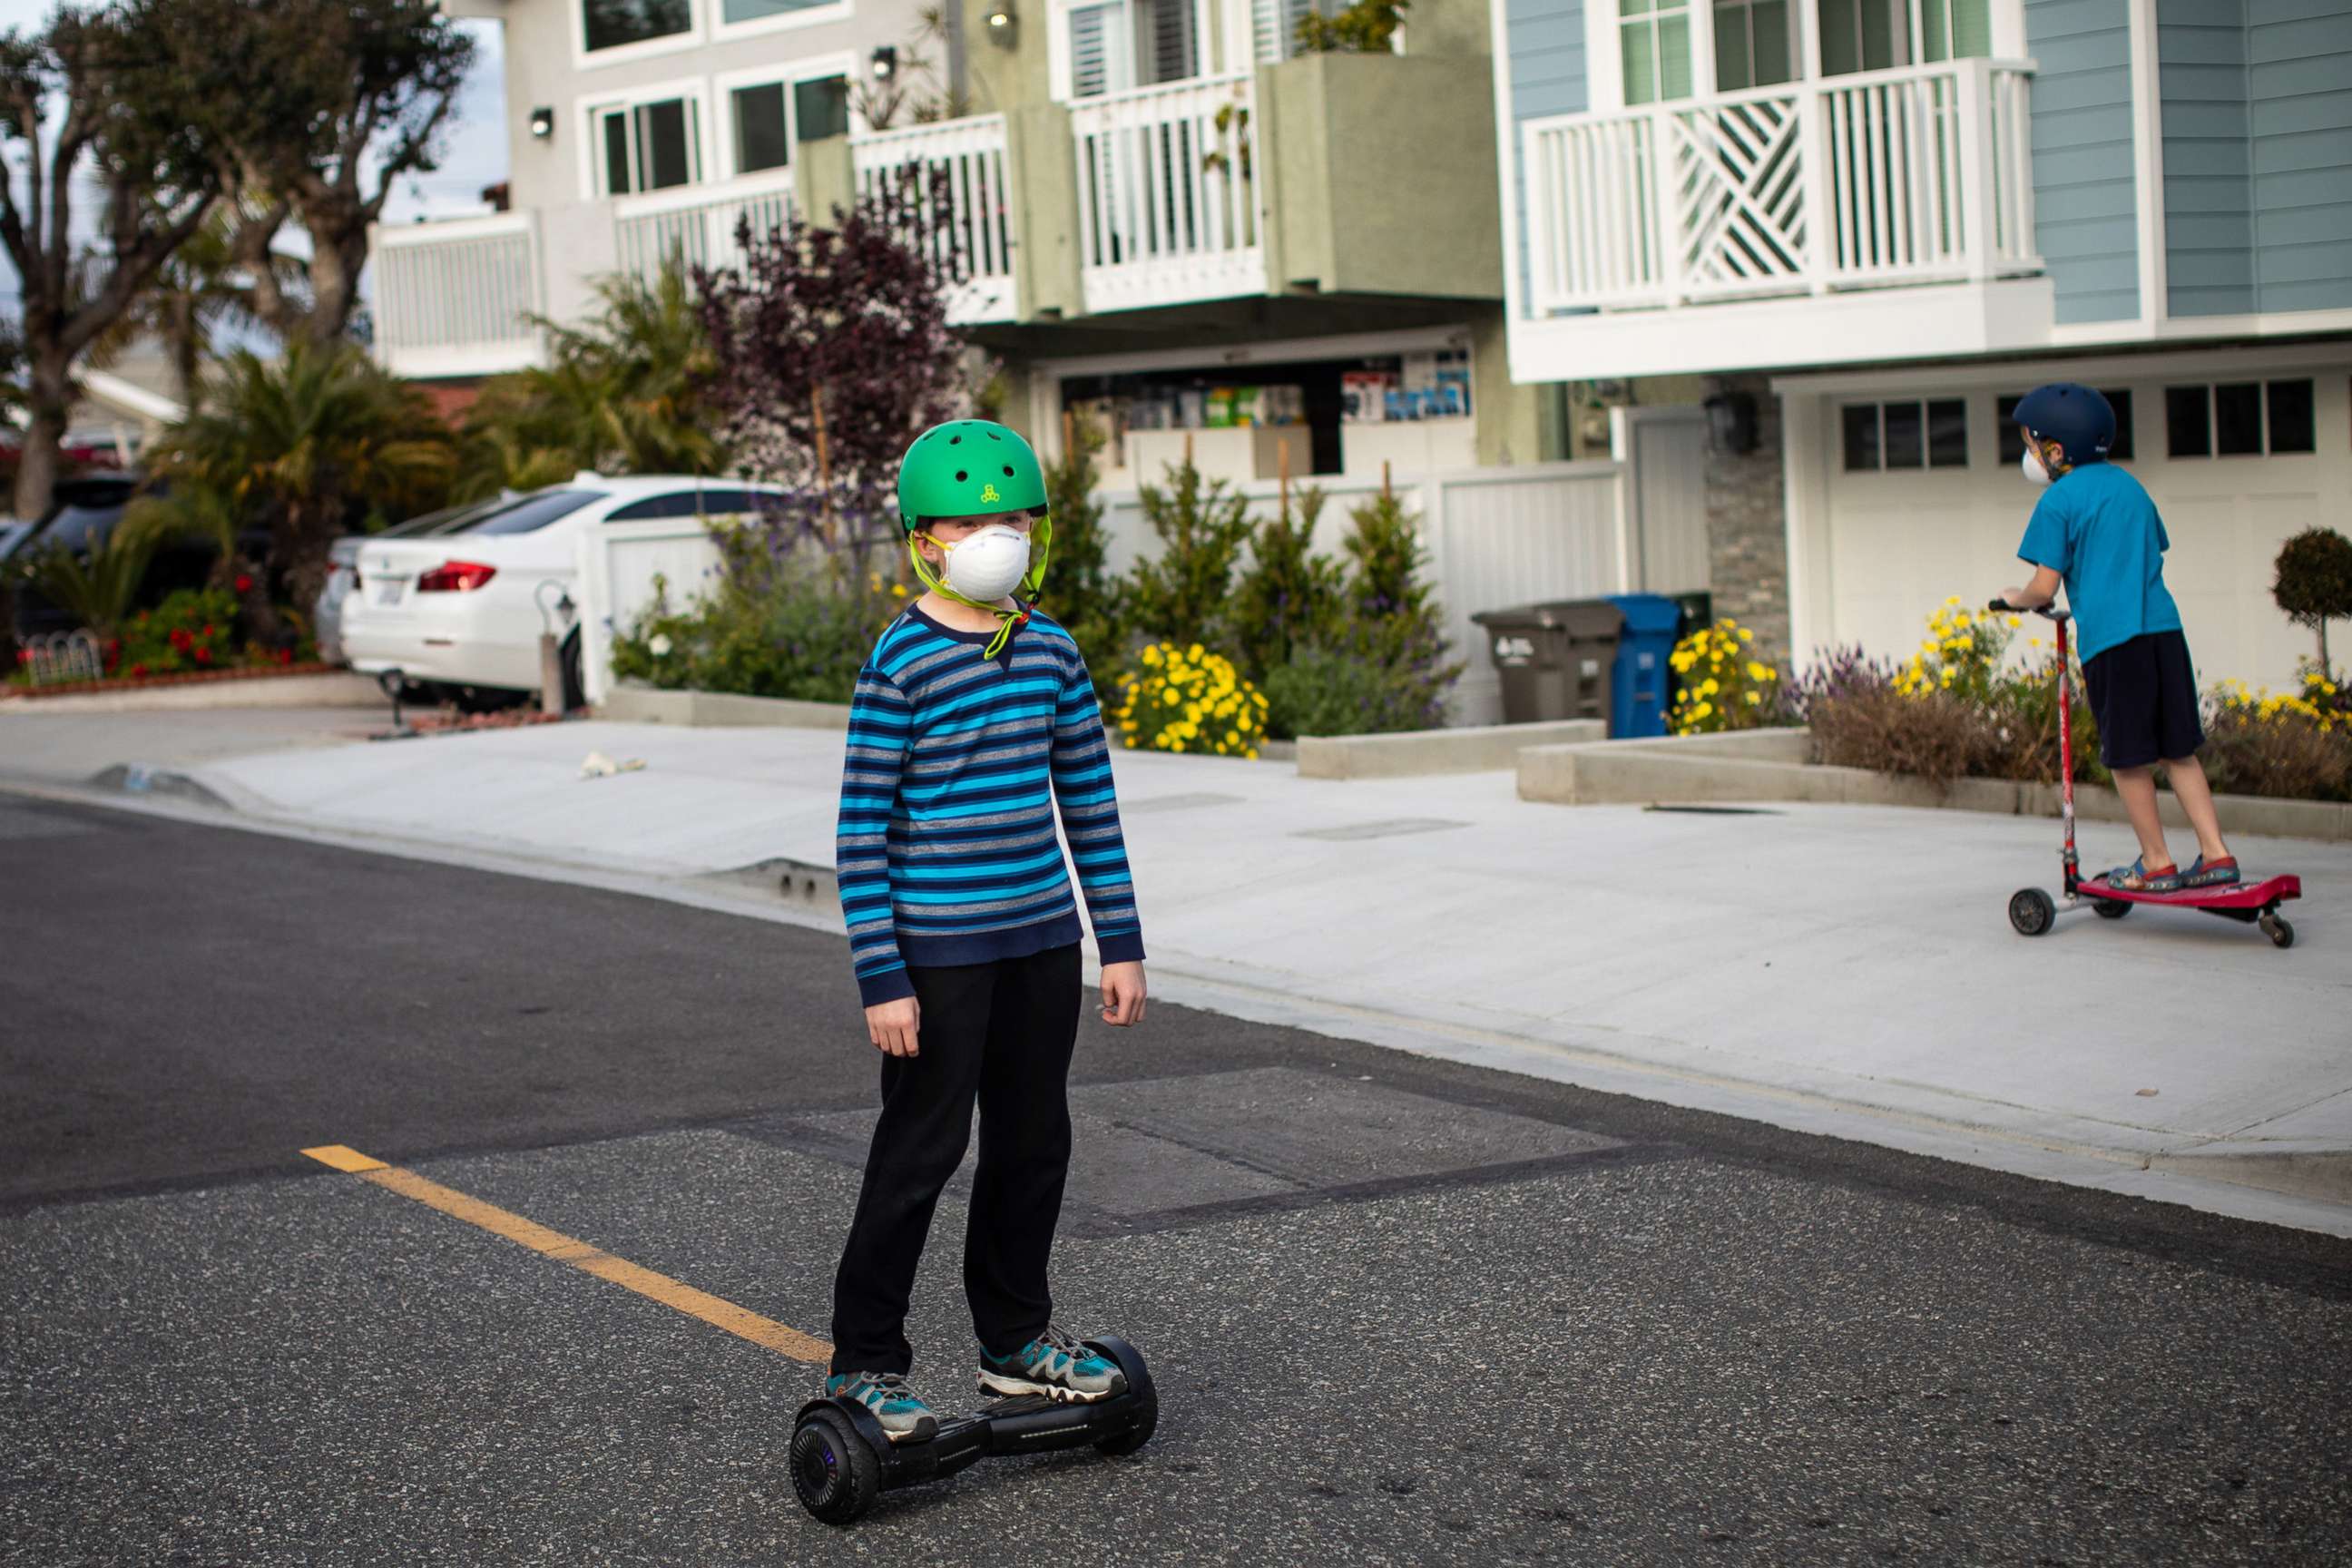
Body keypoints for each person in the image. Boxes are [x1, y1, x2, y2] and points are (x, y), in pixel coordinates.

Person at [824, 418, 1149, 1443]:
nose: (992, 535)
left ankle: (1016, 1342)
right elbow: (859, 829)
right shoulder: (901, 661)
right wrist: (883, 976)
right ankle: (868, 1362)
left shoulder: (1050, 649)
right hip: (937, 955)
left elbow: (1089, 801)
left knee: (1032, 1142)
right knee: (919, 1152)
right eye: (970, 521)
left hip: (1041, 942)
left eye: (1007, 517)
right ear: (925, 540)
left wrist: (1119, 940)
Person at [1997, 382, 2235, 892]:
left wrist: (2013, 597)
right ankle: (2216, 854)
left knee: (2128, 758)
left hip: (2114, 642)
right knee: (2178, 750)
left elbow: (2044, 587)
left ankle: (2156, 862)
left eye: (2032, 444)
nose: (2030, 455)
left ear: (2056, 450)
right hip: (2164, 633)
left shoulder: (2059, 500)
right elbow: (2155, 548)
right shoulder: (2131, 488)